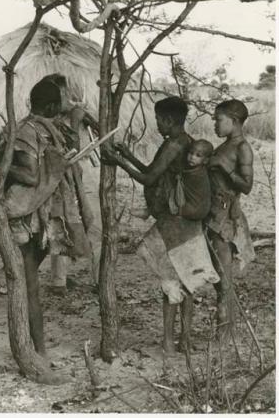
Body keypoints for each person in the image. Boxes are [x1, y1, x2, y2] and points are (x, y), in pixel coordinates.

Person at [0, 78, 92, 356]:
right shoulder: (54, 131)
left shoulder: (26, 130)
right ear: (51, 106)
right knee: (29, 281)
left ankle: (36, 349)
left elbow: (30, 175)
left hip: (30, 216)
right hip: (46, 216)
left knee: (28, 284)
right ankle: (37, 347)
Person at [102, 96, 219, 355]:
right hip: (186, 224)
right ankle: (185, 340)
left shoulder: (175, 145)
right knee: (188, 281)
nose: (157, 124)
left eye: (158, 119)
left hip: (174, 224)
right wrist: (128, 154)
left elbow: (148, 177)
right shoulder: (183, 143)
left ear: (167, 119)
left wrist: (117, 161)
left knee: (171, 281)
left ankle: (168, 341)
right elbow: (152, 170)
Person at [40, 73, 99, 297]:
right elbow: (68, 147)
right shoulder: (50, 119)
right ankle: (59, 282)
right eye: (61, 93)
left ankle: (98, 278)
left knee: (94, 224)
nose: (66, 97)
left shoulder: (79, 112)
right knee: (60, 224)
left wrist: (84, 118)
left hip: (84, 176)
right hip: (62, 177)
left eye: (65, 92)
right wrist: (75, 121)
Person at [205, 99, 255, 341]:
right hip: (212, 215)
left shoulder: (242, 148)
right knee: (217, 273)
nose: (214, 123)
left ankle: (226, 335)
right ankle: (224, 331)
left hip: (225, 219)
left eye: (219, 119)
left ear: (234, 122)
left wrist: (225, 168)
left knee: (224, 276)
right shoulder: (225, 145)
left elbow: (247, 186)